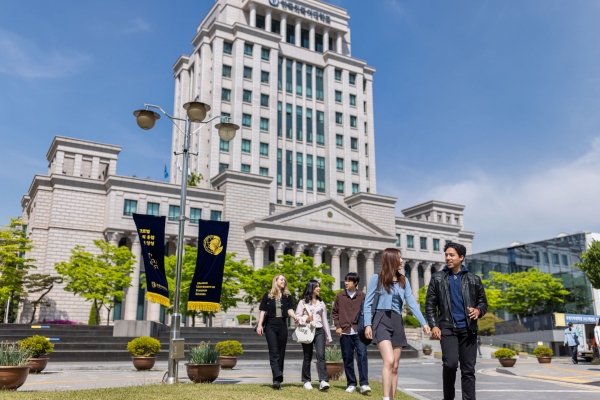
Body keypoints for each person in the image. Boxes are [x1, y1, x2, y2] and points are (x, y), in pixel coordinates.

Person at [364, 248, 430, 400]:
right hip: (381, 320)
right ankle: (386, 398)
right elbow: (367, 304)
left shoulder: (403, 280)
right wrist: (368, 324)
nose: (402, 261)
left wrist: (423, 323)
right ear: (391, 259)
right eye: (399, 258)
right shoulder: (377, 278)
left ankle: (392, 398)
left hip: (397, 322)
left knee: (395, 367)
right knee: (389, 361)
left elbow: (412, 303)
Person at [425, 242, 488, 400]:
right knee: (450, 364)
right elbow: (430, 304)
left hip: (468, 329)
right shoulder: (437, 278)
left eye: (451, 255)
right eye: (446, 255)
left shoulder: (474, 279)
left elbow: (483, 303)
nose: (448, 258)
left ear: (461, 257)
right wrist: (434, 325)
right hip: (447, 328)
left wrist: (478, 311)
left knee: (468, 370)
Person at [256, 274, 298, 389]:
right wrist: (260, 325)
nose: (283, 281)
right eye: (281, 279)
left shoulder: (287, 296)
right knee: (273, 351)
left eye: (284, 279)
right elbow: (263, 311)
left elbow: (290, 310)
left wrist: (294, 316)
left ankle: (278, 378)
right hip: (270, 325)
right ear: (275, 281)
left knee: (281, 352)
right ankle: (276, 377)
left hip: (283, 325)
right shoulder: (268, 296)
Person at [332, 272, 371, 394]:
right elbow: (335, 313)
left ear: (356, 282)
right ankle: (351, 383)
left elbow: (368, 312)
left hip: (359, 332)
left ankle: (364, 384)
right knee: (347, 357)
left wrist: (367, 327)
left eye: (349, 281)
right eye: (345, 280)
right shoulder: (340, 296)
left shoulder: (363, 296)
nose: (346, 282)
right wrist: (338, 326)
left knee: (362, 356)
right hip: (345, 332)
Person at [296, 279, 332, 391]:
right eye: (317, 286)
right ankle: (306, 381)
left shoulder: (322, 303)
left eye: (319, 286)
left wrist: (329, 335)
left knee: (321, 355)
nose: (319, 288)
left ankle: (323, 381)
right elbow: (297, 318)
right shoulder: (303, 302)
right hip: (307, 330)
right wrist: (306, 318)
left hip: (320, 330)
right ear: (311, 288)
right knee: (307, 356)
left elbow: (325, 320)